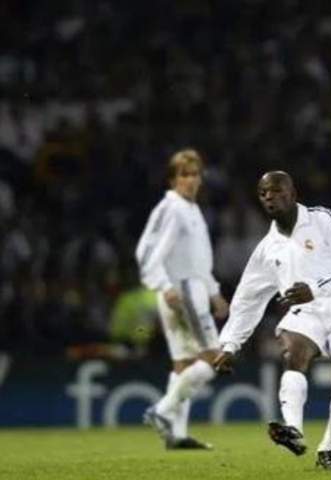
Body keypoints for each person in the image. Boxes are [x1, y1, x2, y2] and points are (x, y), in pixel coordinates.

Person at [213, 171, 331, 469]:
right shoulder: (267, 248)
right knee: (293, 354)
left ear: (293, 193)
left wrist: (316, 288)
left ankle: (328, 445)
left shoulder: (323, 220)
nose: (269, 196)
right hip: (306, 313)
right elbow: (248, 300)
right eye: (263, 193)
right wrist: (230, 345)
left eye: (276, 190)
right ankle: (293, 430)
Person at [135, 149, 229, 450]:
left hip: (189, 289)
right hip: (182, 290)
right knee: (213, 358)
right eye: (184, 175)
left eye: (195, 174)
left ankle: (176, 435)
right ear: (173, 179)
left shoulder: (191, 209)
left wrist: (213, 292)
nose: (190, 180)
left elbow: (198, 259)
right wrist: (163, 285)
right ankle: (162, 410)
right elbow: (146, 252)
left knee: (184, 363)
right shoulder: (171, 208)